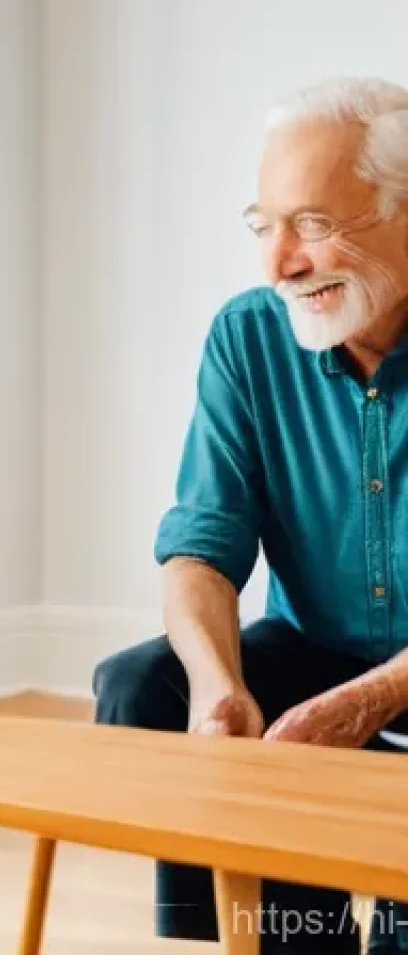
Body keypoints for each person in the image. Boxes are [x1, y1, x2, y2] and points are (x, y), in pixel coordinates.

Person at [93, 76, 408, 955]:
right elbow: (202, 540)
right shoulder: (248, 336)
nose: (279, 264)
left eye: (313, 223)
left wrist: (374, 698)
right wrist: (215, 684)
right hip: (316, 648)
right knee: (141, 686)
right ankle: (274, 933)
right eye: (264, 226)